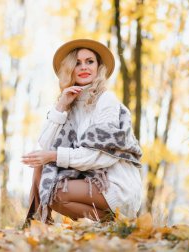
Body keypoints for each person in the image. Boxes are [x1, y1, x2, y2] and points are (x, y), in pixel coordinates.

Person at [22, 39, 143, 225]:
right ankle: (37, 223)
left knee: (55, 191)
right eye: (77, 63)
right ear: (70, 68)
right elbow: (45, 145)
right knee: (41, 166)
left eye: (89, 61)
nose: (83, 67)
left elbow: (103, 157)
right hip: (90, 182)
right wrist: (61, 106)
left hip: (115, 185)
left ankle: (116, 222)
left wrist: (54, 155)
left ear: (98, 67)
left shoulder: (106, 101)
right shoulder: (70, 104)